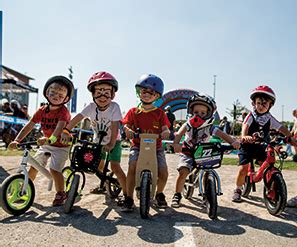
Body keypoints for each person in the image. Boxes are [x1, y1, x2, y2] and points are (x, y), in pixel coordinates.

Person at [61, 71, 127, 202]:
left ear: (112, 94)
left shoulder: (114, 107)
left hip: (114, 141)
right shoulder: (91, 107)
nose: (102, 97)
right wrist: (66, 130)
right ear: (93, 94)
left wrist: (112, 144)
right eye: (98, 93)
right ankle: (105, 182)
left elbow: (115, 127)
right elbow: (78, 118)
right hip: (98, 142)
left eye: (106, 93)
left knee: (115, 167)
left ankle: (127, 195)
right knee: (97, 166)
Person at [8, 76, 74, 206]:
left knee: (55, 170)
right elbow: (29, 125)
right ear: (46, 92)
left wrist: (51, 139)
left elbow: (59, 129)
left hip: (61, 145)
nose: (56, 96)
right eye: (53, 92)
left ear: (66, 98)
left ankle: (61, 193)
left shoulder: (63, 112)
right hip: (46, 144)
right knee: (34, 166)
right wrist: (17, 140)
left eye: (61, 95)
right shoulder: (42, 110)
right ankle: (25, 190)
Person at [171, 93, 240, 207]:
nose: (199, 115)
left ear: (209, 114)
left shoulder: (210, 127)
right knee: (183, 171)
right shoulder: (188, 124)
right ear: (191, 112)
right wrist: (176, 143)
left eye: (203, 113)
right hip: (188, 150)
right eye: (196, 112)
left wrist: (233, 142)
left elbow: (223, 135)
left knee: (207, 169)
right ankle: (177, 194)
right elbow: (179, 134)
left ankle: (207, 194)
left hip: (202, 152)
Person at [232, 85, 296, 202]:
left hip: (261, 146)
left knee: (267, 163)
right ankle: (238, 189)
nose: (261, 106)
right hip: (247, 146)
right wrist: (244, 136)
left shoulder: (269, 118)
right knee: (243, 169)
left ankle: (272, 184)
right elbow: (244, 127)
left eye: (265, 104)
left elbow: (281, 127)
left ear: (270, 105)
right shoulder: (251, 116)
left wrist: (290, 137)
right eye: (259, 103)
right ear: (254, 104)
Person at [121, 74, 170, 211]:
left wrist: (165, 132)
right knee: (132, 166)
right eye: (144, 91)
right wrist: (127, 129)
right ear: (139, 93)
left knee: (163, 171)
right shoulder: (133, 112)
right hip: (137, 146)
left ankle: (159, 194)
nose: (147, 94)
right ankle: (129, 198)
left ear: (157, 96)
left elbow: (165, 127)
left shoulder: (160, 113)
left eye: (151, 92)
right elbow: (126, 124)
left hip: (157, 147)